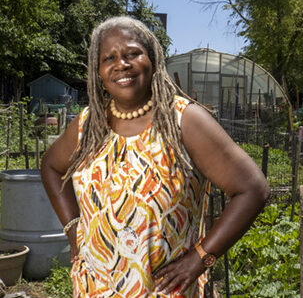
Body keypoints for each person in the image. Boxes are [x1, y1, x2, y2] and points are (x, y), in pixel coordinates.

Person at [41, 16, 270, 298]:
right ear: (98, 70)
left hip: (161, 291)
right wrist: (73, 228)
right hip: (92, 287)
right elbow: (51, 166)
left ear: (152, 58)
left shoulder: (184, 120)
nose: (121, 64)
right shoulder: (88, 123)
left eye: (132, 53)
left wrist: (201, 257)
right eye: (108, 58)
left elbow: (253, 189)